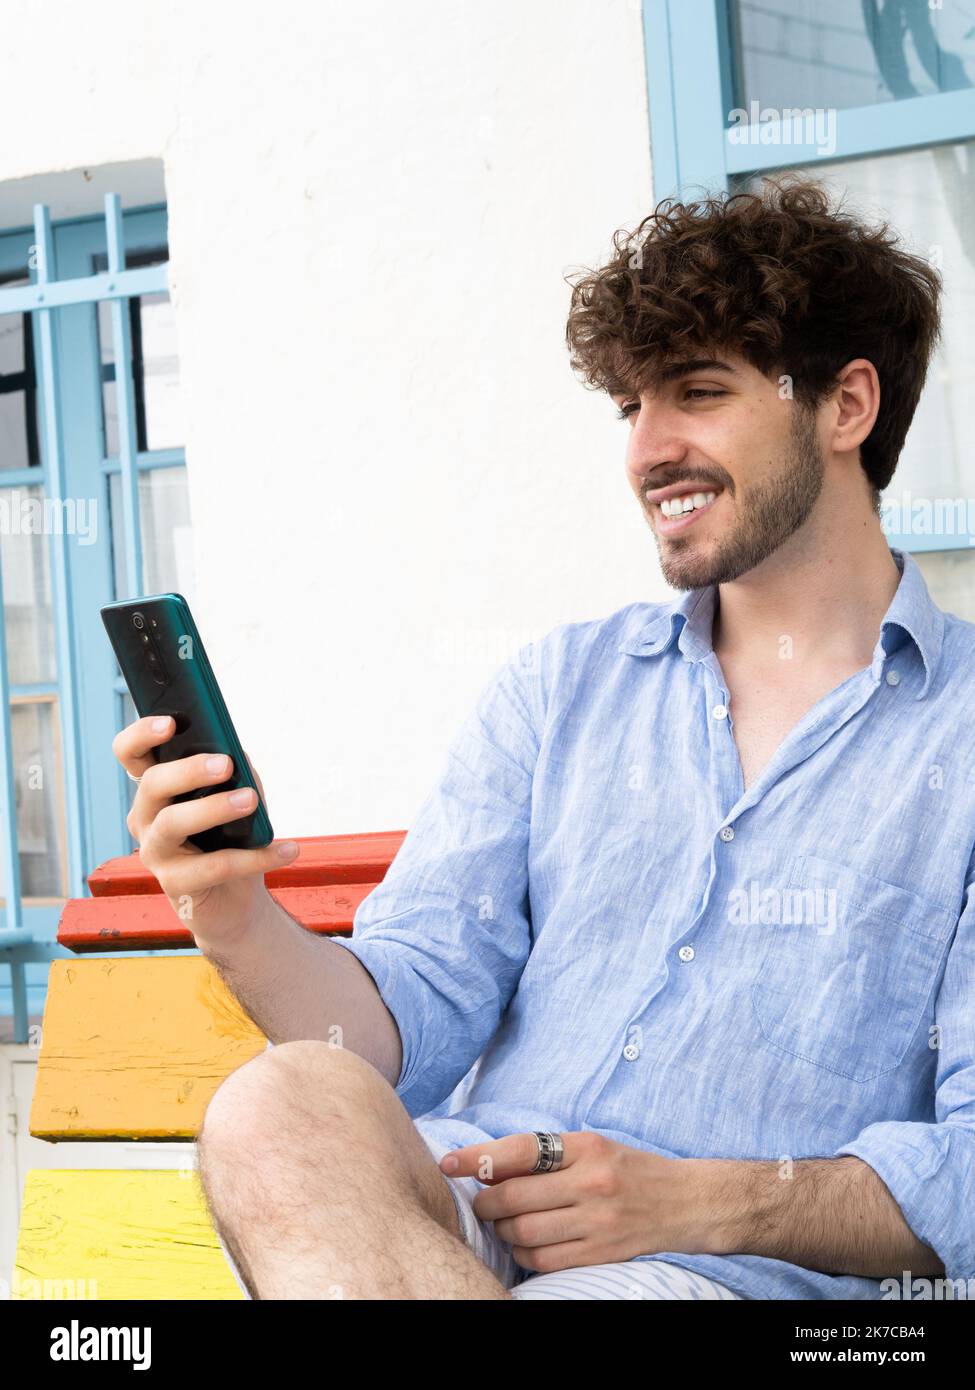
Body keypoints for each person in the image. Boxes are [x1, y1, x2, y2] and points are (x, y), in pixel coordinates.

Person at [113, 178, 973, 1301]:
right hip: (462, 1215)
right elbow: (390, 1034)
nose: (647, 450)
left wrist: (693, 1198)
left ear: (845, 406)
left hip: (723, 1273)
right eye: (629, 408)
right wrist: (227, 907)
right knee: (277, 1107)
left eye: (697, 393)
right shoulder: (559, 690)